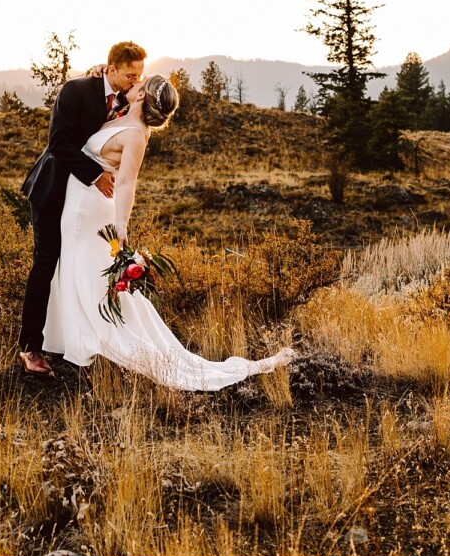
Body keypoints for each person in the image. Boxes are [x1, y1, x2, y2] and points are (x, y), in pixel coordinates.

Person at [41, 74, 295, 391]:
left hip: (89, 211)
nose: (136, 81)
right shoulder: (122, 117)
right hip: (80, 202)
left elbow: (127, 182)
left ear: (142, 97)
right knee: (81, 269)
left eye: (141, 82)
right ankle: (75, 337)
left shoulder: (136, 134)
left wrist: (122, 227)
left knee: (83, 269)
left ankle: (84, 342)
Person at [18, 42, 146, 377]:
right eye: (131, 74)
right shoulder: (76, 90)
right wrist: (95, 175)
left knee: (77, 266)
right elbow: (58, 142)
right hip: (52, 192)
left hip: (83, 205)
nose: (135, 81)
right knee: (46, 263)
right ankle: (30, 348)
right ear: (112, 69)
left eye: (140, 76)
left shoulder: (122, 104)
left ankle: (73, 337)